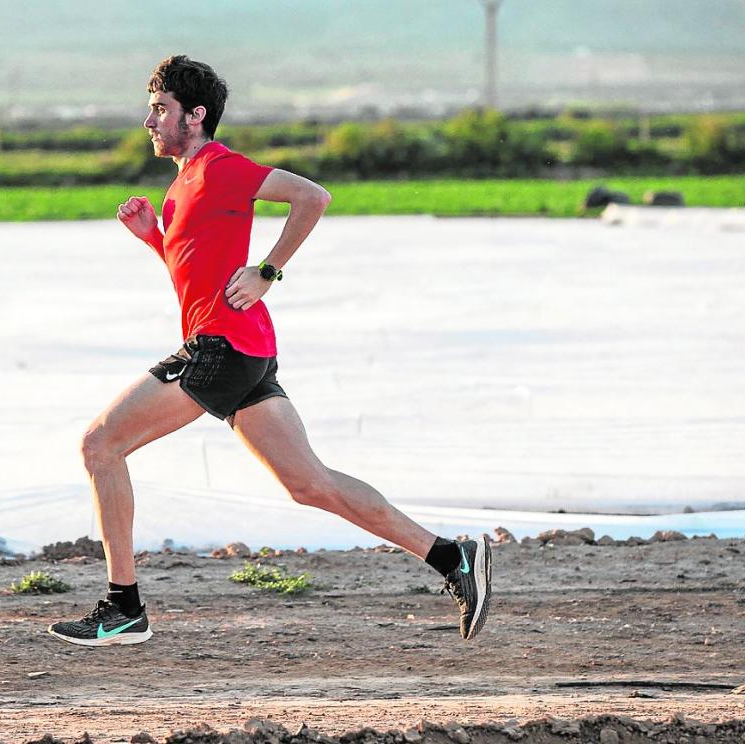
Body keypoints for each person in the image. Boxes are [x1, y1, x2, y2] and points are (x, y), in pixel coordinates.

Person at [48, 55, 491, 647]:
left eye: (161, 110)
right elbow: (197, 275)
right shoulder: (182, 185)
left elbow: (313, 196)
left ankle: (123, 607)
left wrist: (267, 271)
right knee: (310, 486)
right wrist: (155, 237)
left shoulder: (222, 168)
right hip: (242, 349)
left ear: (195, 115)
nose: (149, 121)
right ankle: (451, 559)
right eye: (150, 109)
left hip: (222, 348)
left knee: (101, 444)